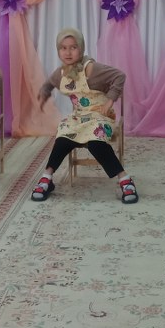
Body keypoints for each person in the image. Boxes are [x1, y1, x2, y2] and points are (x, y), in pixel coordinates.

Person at [31, 28, 138, 204]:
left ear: (81, 48)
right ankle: (47, 178)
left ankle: (124, 179)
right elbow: (49, 83)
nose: (68, 52)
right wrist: (44, 92)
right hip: (78, 117)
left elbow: (120, 76)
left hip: (99, 116)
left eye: (73, 47)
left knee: (96, 144)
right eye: (63, 48)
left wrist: (110, 101)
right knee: (62, 140)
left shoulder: (91, 69)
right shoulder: (61, 73)